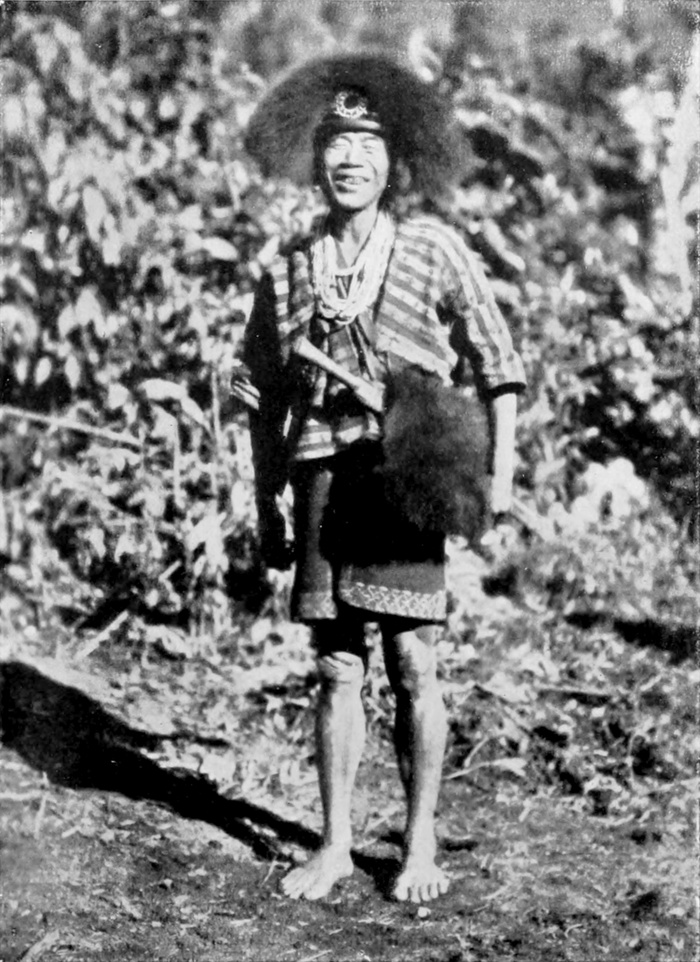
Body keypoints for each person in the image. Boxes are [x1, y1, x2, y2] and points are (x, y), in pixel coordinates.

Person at [235, 55, 526, 904]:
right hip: (321, 478)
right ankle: (333, 845)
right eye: (336, 142)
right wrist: (266, 504)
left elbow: (499, 363)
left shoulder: (433, 249)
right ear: (315, 157)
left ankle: (420, 840)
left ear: (395, 160)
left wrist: (500, 474)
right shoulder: (288, 268)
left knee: (411, 660)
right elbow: (261, 397)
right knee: (335, 666)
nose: (350, 158)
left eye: (368, 143)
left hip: (407, 477)